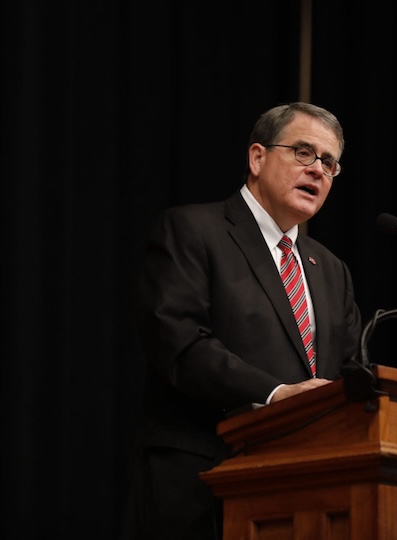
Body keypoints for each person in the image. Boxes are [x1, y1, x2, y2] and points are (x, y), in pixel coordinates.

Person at [120, 102, 362, 540]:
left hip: (303, 499)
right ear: (257, 157)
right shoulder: (193, 230)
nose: (317, 170)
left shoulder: (331, 270)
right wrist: (275, 394)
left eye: (329, 163)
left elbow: (346, 376)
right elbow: (180, 344)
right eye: (304, 152)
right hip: (202, 485)